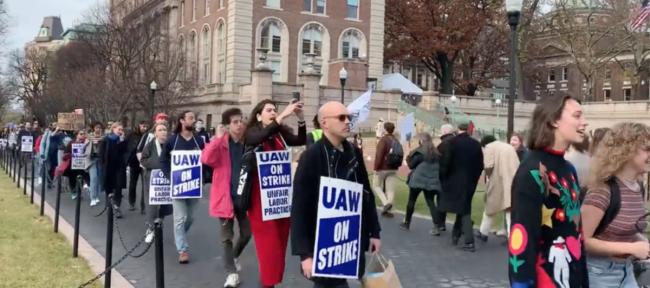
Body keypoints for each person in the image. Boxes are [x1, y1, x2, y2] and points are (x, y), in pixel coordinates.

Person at [291, 101, 381, 288]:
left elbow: (366, 193)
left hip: (351, 241)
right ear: (324, 123)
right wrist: (305, 254)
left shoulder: (354, 153)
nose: (347, 121)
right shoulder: (312, 155)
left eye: (349, 117)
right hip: (323, 244)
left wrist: (375, 231)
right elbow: (300, 207)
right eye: (341, 118)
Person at [508, 94, 588, 287]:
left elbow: (577, 231)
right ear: (553, 120)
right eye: (577, 116)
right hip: (545, 277)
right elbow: (521, 235)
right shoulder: (532, 170)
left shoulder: (569, 169)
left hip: (573, 274)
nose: (584, 123)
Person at [240, 99, 305, 288]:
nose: (274, 112)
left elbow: (300, 140)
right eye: (269, 110)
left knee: (280, 241)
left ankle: (270, 282)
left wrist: (300, 119)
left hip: (280, 198)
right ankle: (268, 284)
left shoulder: (280, 135)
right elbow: (257, 138)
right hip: (259, 198)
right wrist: (284, 115)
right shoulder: (252, 132)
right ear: (259, 115)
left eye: (275, 110)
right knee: (269, 247)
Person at [581, 123, 650, 288]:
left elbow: (618, 227)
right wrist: (631, 248)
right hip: (598, 273)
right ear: (627, 151)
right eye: (647, 149)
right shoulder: (603, 191)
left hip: (626, 271)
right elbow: (582, 240)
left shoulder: (636, 186)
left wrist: (640, 241)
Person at [200, 108, 251, 287]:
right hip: (225, 198)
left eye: (242, 121)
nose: (239, 125)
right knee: (226, 237)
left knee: (247, 233)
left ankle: (234, 256)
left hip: (243, 197)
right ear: (227, 125)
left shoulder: (248, 143)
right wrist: (216, 138)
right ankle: (231, 273)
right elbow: (206, 158)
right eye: (235, 122)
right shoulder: (221, 144)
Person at [159, 111, 205, 264]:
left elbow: (205, 160)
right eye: (191, 118)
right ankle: (182, 250)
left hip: (194, 186)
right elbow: (163, 161)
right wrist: (170, 177)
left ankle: (179, 236)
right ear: (182, 121)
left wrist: (204, 177)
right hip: (178, 186)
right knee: (180, 218)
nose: (194, 121)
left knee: (190, 218)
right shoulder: (172, 141)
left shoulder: (199, 141)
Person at [438, 118, 483, 252]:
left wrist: (443, 177)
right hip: (470, 181)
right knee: (463, 206)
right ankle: (456, 234)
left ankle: (469, 240)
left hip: (453, 180)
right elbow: (480, 165)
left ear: (458, 127)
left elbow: (446, 163)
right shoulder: (476, 144)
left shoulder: (452, 143)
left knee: (463, 210)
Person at [475, 135, 519, 243]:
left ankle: (483, 232)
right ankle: (512, 236)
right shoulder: (509, 147)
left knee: (490, 208)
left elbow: (488, 165)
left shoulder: (489, 148)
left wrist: (487, 174)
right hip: (513, 181)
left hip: (498, 181)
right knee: (510, 210)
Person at [399, 132, 443, 234]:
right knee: (431, 203)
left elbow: (411, 165)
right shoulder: (436, 153)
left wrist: (408, 156)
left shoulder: (419, 152)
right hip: (431, 181)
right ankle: (436, 226)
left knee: (411, 201)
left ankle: (407, 222)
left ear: (421, 141)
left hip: (418, 180)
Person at [140, 123, 173, 243]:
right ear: (155, 133)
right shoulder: (150, 145)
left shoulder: (170, 145)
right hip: (153, 179)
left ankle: (159, 222)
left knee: (165, 203)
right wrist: (159, 163)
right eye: (160, 130)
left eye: (165, 129)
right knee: (152, 205)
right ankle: (150, 228)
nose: (163, 132)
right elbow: (143, 160)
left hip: (166, 179)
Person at [98, 122, 129, 218]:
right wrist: (102, 165)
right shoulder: (106, 140)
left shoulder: (122, 140)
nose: (120, 131)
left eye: (122, 130)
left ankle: (116, 206)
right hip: (108, 167)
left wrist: (122, 141)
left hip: (119, 167)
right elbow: (101, 153)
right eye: (119, 129)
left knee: (118, 187)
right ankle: (109, 206)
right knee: (109, 187)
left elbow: (125, 151)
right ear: (113, 129)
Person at [373, 121, 401, 217]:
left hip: (383, 167)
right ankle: (388, 210)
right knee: (390, 190)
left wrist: (376, 167)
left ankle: (386, 203)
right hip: (393, 168)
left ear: (385, 129)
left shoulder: (383, 140)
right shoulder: (396, 140)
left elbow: (379, 154)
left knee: (376, 186)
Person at [126, 121, 149, 213]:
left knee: (144, 186)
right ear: (139, 125)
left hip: (144, 162)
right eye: (143, 126)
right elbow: (127, 147)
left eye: (146, 126)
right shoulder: (132, 135)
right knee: (132, 184)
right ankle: (131, 202)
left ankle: (143, 206)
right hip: (134, 162)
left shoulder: (148, 135)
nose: (145, 128)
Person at [60, 130, 89, 199]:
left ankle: (79, 193)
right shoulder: (72, 143)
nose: (82, 135)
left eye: (83, 134)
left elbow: (88, 152)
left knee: (80, 178)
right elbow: (66, 152)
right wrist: (71, 154)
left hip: (82, 164)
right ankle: (73, 192)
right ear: (77, 135)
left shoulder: (86, 143)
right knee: (72, 178)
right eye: (80, 134)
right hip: (72, 164)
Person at [86, 122, 104, 206]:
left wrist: (101, 141)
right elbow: (85, 145)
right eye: (97, 128)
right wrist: (92, 142)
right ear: (93, 128)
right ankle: (93, 197)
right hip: (91, 159)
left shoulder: (104, 136)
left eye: (100, 128)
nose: (98, 130)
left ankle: (96, 195)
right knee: (94, 178)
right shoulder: (89, 136)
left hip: (100, 159)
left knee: (99, 178)